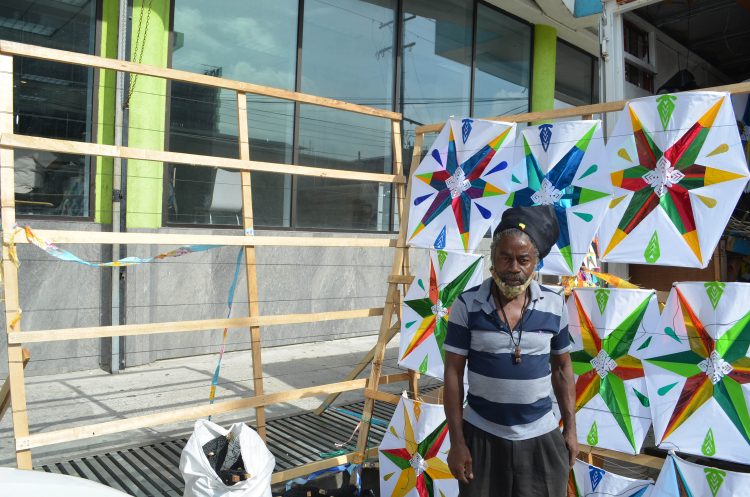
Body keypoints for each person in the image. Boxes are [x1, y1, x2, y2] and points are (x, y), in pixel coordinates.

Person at [443, 205, 577, 497]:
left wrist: (571, 429)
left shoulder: (555, 305)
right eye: (505, 257)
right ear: (492, 257)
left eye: (523, 259)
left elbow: (562, 368)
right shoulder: (467, 305)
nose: (513, 268)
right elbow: (452, 374)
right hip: (481, 437)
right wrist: (457, 442)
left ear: (535, 263)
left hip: (541, 437)